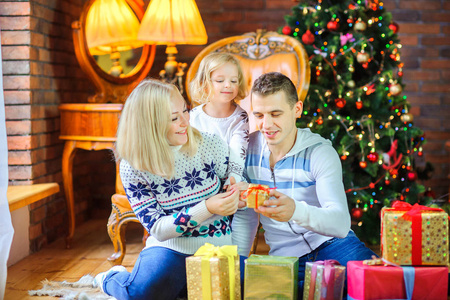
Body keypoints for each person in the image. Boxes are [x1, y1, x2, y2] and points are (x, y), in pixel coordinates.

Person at [93, 79, 243, 300]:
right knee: (141, 294)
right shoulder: (133, 167)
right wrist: (208, 207)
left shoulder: (210, 144)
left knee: (255, 288)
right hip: (169, 250)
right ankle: (111, 279)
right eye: (174, 118)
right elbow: (158, 229)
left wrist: (237, 186)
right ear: (149, 124)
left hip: (216, 247)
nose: (186, 122)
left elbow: (235, 174)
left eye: (185, 111)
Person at [232, 72, 376, 297]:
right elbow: (246, 216)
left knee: (377, 287)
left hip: (335, 246)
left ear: (296, 109)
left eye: (275, 113)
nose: (266, 124)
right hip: (285, 258)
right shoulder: (247, 151)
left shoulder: (320, 152)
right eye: (258, 114)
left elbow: (339, 223)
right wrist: (237, 266)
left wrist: (295, 210)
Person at [189, 52, 249, 184]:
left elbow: (238, 151)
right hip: (199, 177)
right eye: (220, 80)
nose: (228, 85)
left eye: (233, 81)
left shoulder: (240, 117)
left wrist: (233, 179)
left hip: (231, 178)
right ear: (204, 85)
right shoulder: (194, 116)